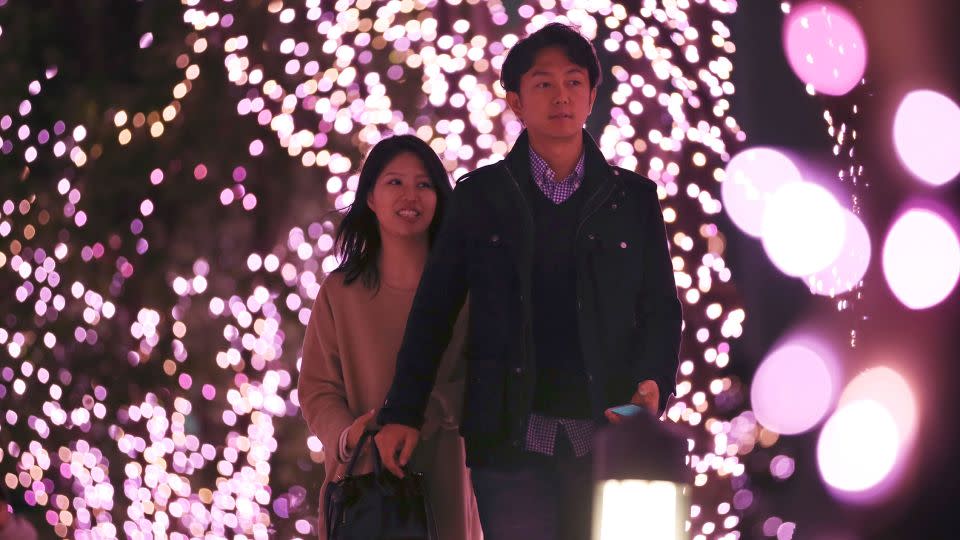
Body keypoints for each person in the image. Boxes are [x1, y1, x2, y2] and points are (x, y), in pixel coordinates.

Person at [375, 23, 682, 540]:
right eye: (543, 83)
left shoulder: (632, 200)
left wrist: (653, 385)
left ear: (591, 96)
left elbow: (661, 308)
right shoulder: (480, 197)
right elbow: (434, 312)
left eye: (574, 82)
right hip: (509, 438)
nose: (561, 95)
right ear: (516, 101)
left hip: (608, 436)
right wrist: (402, 412)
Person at [297, 135, 482, 539]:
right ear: (370, 198)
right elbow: (316, 388)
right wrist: (351, 435)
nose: (410, 195)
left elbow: (482, 375)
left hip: (445, 478)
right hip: (362, 490)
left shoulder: (467, 292)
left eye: (424, 184)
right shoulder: (340, 292)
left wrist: (420, 416)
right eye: (394, 182)